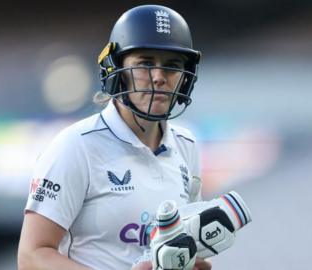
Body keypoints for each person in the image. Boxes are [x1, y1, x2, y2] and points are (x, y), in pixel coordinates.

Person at [18, 4, 212, 270]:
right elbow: (32, 256)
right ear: (116, 71)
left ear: (185, 78)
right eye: (145, 63)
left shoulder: (187, 145)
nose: (158, 77)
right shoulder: (76, 146)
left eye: (172, 66)